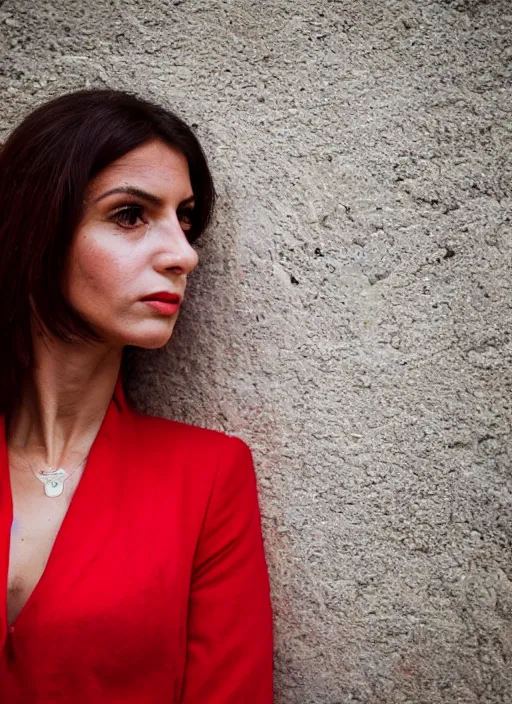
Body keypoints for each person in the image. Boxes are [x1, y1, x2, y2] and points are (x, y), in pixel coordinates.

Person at [0, 89, 274, 702]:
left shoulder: (207, 479)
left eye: (185, 219)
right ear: (37, 225)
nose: (184, 254)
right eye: (129, 215)